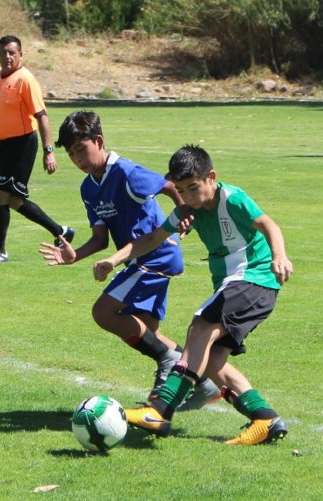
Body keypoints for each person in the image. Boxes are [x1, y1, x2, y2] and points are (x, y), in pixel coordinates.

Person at [94, 144, 293, 445]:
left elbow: (269, 224)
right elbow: (152, 239)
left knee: (199, 329)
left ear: (211, 177)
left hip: (254, 278)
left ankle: (160, 410)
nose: (188, 197)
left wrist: (280, 256)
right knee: (212, 363)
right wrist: (115, 259)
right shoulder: (188, 210)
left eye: (193, 188)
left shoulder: (232, 198)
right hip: (238, 286)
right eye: (182, 191)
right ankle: (265, 418)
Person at [39, 111, 221, 408]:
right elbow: (100, 238)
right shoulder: (88, 188)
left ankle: (167, 364)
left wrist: (182, 213)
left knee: (104, 312)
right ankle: (203, 384)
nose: (77, 159)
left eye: (81, 149)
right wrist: (74, 256)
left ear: (99, 141)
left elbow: (169, 185)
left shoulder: (125, 172)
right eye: (71, 154)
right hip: (137, 259)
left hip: (155, 255)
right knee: (149, 334)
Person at [0, 35, 74, 264]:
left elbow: (42, 117)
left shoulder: (25, 80)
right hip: (5, 145)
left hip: (23, 144)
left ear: (20, 55)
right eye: (3, 52)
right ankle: (61, 231)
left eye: (12, 52)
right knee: (14, 200)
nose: (7, 56)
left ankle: (0, 251)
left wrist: (49, 151)